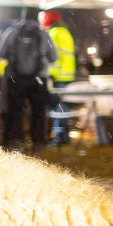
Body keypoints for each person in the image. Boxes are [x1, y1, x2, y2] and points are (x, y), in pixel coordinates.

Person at [0, 17, 56, 152]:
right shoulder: (43, 34)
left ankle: (17, 141)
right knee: (38, 112)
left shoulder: (12, 32)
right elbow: (54, 57)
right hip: (39, 78)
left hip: (15, 78)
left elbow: (1, 53)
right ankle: (38, 142)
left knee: (16, 111)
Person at [40, 11, 76, 145]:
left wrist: (50, 75)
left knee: (58, 108)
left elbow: (53, 58)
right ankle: (63, 136)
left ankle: (60, 137)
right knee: (63, 107)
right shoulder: (65, 32)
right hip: (67, 76)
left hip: (58, 77)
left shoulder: (54, 34)